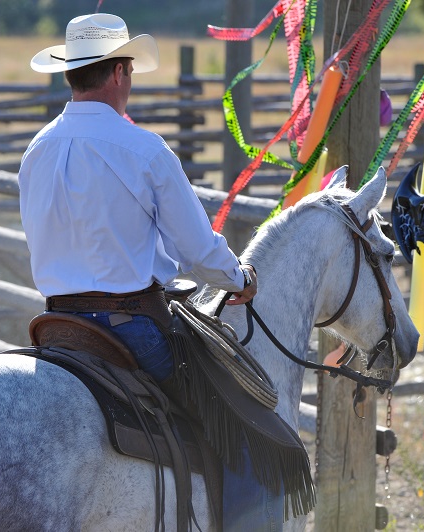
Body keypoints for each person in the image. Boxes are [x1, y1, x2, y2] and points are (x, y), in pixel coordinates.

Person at [19, 13, 281, 530]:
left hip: (56, 327)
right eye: (131, 70)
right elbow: (197, 253)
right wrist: (241, 279)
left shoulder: (37, 150)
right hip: (130, 327)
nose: (131, 81)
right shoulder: (142, 149)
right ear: (117, 72)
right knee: (249, 429)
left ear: (73, 73)